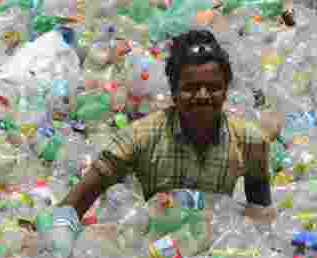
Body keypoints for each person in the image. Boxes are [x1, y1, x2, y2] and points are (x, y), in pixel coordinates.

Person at [60, 29, 276, 224]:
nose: (202, 96)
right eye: (190, 88)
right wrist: (59, 233)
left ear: (226, 90)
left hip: (215, 255)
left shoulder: (250, 140)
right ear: (173, 91)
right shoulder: (141, 136)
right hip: (156, 253)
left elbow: (261, 215)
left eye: (213, 87)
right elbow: (76, 201)